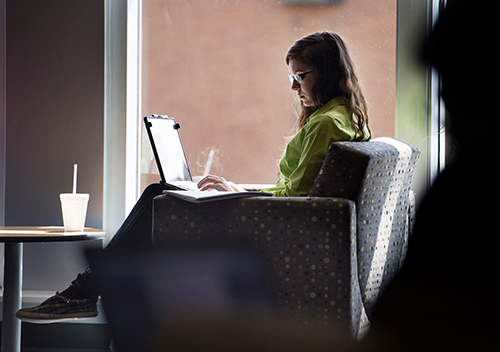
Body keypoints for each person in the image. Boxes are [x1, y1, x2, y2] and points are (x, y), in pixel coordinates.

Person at [16, 31, 371, 323]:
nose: (294, 87)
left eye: (301, 76)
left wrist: (237, 196)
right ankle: (89, 291)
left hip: (274, 229)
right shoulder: (341, 117)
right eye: (291, 77)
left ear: (326, 72)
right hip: (278, 220)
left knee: (161, 195)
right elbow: (295, 191)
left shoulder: (326, 124)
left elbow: (297, 200)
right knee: (166, 191)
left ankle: (85, 292)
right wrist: (235, 189)